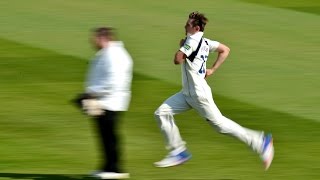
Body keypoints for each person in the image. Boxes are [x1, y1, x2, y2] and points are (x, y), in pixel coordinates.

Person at [154, 12, 274, 170]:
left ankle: (260, 142)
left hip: (198, 95)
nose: (185, 26)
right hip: (187, 94)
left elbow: (177, 60)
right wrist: (212, 70)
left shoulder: (192, 40)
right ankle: (178, 151)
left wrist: (182, 47)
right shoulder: (204, 42)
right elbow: (225, 49)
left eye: (188, 24)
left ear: (196, 28)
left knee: (221, 126)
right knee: (161, 113)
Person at [80, 27, 133, 179]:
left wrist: (92, 93)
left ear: (103, 38)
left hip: (111, 102)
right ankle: (107, 166)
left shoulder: (115, 55)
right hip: (102, 101)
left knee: (109, 136)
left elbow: (113, 82)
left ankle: (116, 169)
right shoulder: (107, 53)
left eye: (94, 39)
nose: (92, 42)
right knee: (103, 136)